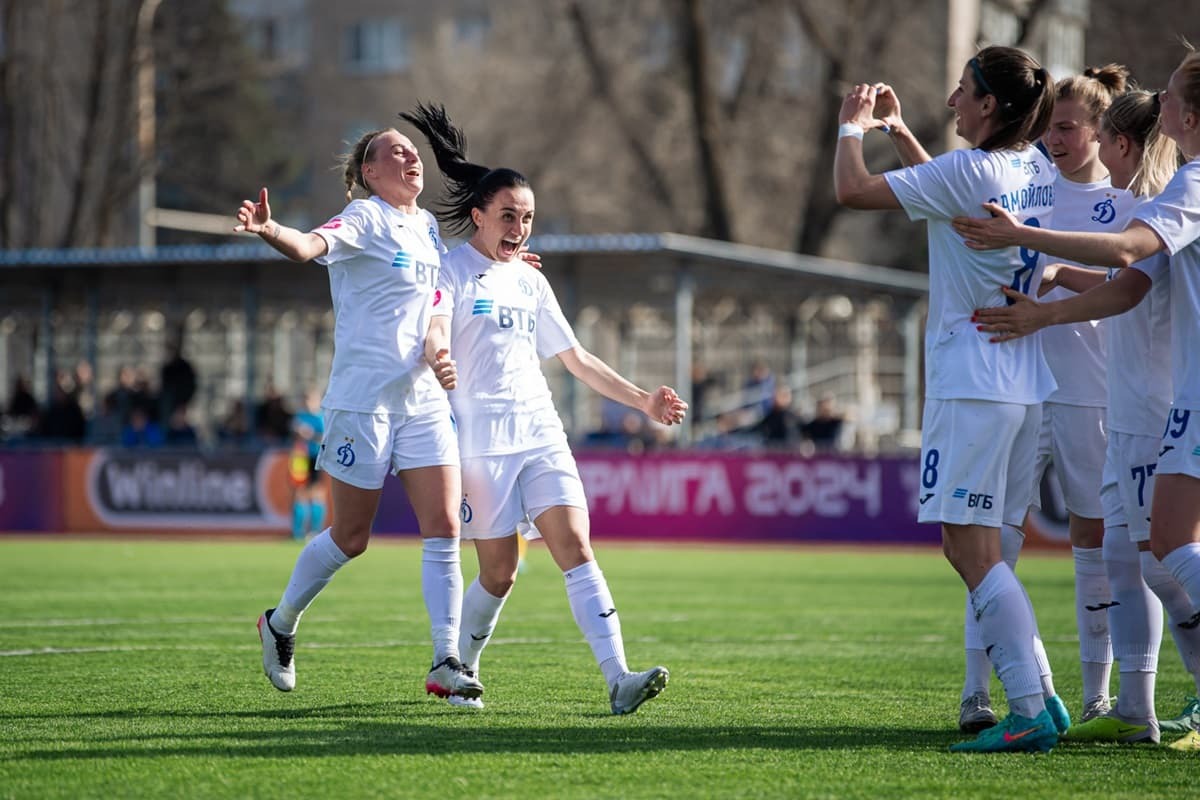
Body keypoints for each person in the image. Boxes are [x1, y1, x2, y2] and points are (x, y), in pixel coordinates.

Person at [953, 49, 1200, 751]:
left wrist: (1025, 239)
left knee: (1163, 555)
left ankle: (1143, 698)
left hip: (1160, 409)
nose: (1054, 140)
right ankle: (1131, 705)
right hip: (1138, 409)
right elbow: (1124, 287)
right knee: (1137, 559)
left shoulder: (1173, 196)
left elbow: (1124, 259)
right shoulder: (1165, 198)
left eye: (1069, 128)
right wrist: (1046, 294)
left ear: (1117, 140)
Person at [403, 102, 686, 714]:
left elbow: (577, 358)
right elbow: (434, 326)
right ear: (477, 215)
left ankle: (618, 678)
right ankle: (457, 668)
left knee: (576, 547)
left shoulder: (531, 280)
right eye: (508, 216)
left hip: (540, 432)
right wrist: (440, 355)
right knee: (499, 572)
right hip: (479, 443)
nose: (519, 228)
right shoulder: (451, 271)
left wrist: (643, 400)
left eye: (527, 218)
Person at [835, 46, 1068, 752]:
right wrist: (901, 134)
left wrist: (851, 128)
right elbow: (943, 180)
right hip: (1025, 384)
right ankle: (1047, 698)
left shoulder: (971, 171)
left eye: (963, 91)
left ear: (990, 105)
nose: (951, 102)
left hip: (973, 384)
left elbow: (852, 191)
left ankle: (1028, 708)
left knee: (969, 552)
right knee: (992, 548)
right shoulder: (1037, 166)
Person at [235, 124, 483, 703]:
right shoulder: (364, 218)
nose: (410, 158)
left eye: (413, 152)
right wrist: (268, 227)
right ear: (369, 173)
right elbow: (305, 246)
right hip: (362, 403)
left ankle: (447, 661)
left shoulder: (426, 229)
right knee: (349, 537)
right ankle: (280, 623)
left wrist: (510, 264)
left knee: (446, 527)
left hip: (422, 402)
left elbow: (439, 309)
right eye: (394, 152)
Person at [288, 389, 327, 541]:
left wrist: (310, 435)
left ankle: (315, 531)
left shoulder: (321, 417)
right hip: (301, 458)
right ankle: (297, 533)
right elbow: (293, 434)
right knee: (299, 492)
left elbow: (325, 437)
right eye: (305, 399)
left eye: (310, 399)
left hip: (316, 457)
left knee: (316, 492)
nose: (307, 403)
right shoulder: (299, 417)